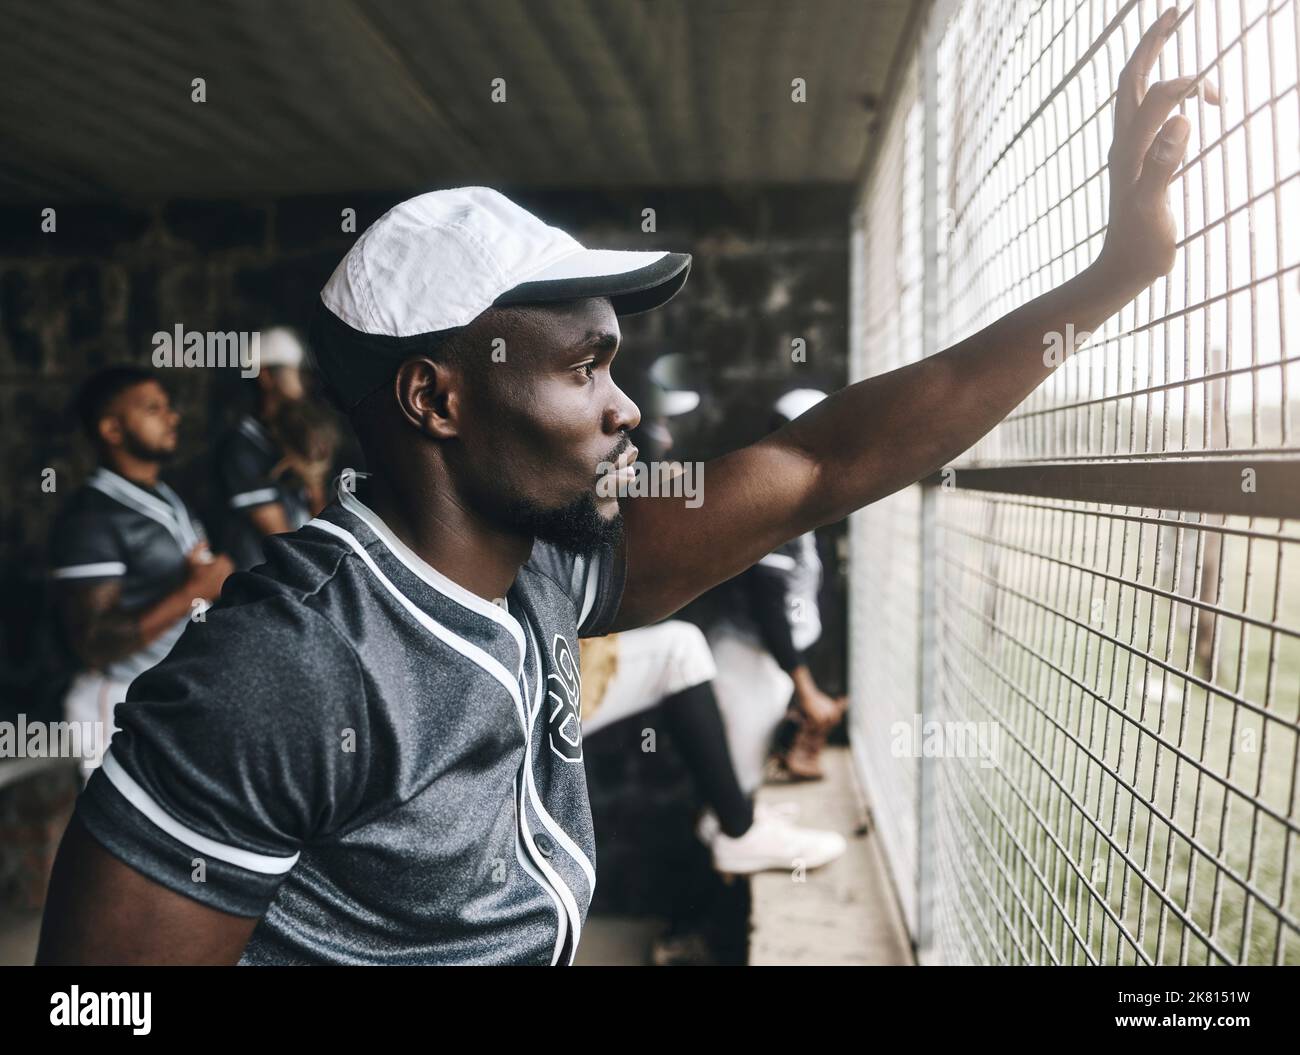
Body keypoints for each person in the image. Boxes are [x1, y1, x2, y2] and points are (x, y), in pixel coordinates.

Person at [38, 20, 1213, 964]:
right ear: (437, 400)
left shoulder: (540, 570)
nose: (626, 408)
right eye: (584, 366)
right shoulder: (277, 670)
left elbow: (822, 463)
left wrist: (1119, 272)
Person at [579, 370, 845, 875]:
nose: (654, 436)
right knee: (686, 659)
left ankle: (739, 825)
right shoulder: (773, 487)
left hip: (567, 667)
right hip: (540, 683)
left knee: (686, 663)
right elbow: (768, 601)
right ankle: (738, 832)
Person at [48, 366, 233, 784]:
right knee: (126, 844)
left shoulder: (164, 496)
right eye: (153, 408)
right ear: (112, 429)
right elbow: (93, 644)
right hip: (118, 703)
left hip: (169, 696)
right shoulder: (91, 518)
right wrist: (195, 590)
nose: (173, 417)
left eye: (169, 407)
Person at [705, 388, 847, 789]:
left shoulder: (797, 502)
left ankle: (747, 827)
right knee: (740, 766)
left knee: (750, 760)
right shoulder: (772, 503)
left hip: (764, 659)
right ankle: (737, 839)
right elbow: (768, 604)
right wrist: (807, 688)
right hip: (745, 655)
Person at [214, 326, 323, 570]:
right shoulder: (241, 447)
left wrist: (313, 481)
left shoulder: (288, 441)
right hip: (266, 588)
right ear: (266, 376)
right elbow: (283, 542)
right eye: (294, 372)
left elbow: (320, 526)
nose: (303, 382)